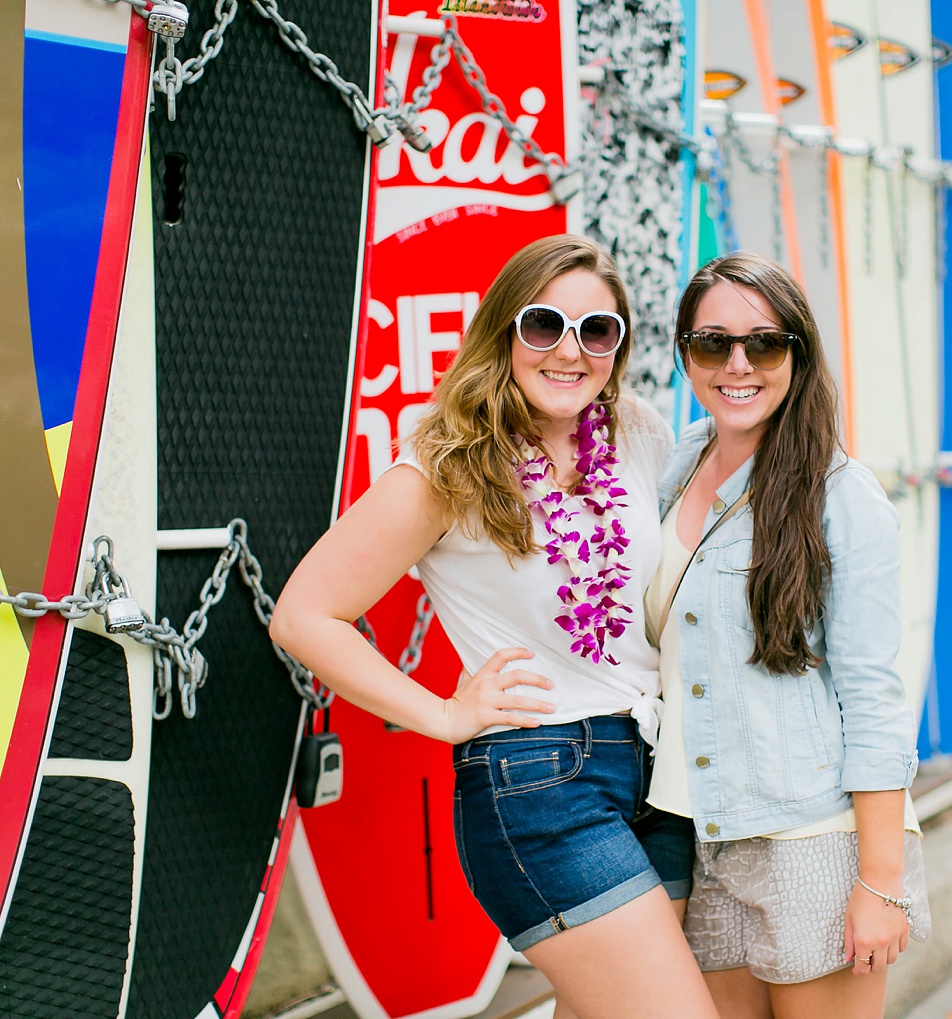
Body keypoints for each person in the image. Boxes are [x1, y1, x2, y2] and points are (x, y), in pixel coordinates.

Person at [271, 235, 718, 1019]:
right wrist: (442, 715)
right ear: (505, 332)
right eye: (544, 325)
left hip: (658, 770)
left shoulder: (638, 434)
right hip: (542, 782)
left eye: (598, 331)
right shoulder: (452, 464)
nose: (570, 351)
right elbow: (304, 614)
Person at [644, 252, 924, 1018]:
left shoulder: (841, 497)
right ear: (684, 355)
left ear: (797, 355)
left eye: (764, 343)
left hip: (815, 838)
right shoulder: (677, 468)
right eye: (713, 344)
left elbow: (872, 695)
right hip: (707, 834)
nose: (739, 364)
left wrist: (880, 881)